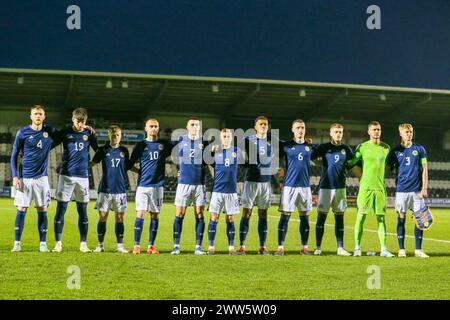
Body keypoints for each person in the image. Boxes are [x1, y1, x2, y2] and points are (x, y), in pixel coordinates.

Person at [52, 108, 98, 253]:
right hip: (66, 176)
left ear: (86, 121)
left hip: (83, 177)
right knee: (61, 209)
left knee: (82, 211)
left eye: (83, 122)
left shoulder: (89, 134)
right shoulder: (65, 132)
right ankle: (58, 243)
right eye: (78, 122)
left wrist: (92, 164)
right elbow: (50, 143)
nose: (80, 125)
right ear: (73, 119)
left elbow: (99, 151)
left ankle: (83, 244)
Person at [10, 105, 56, 252]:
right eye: (35, 114)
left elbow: (69, 131)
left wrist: (83, 125)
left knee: (42, 209)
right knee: (21, 208)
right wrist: (15, 176)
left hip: (42, 178)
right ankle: (17, 243)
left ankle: (43, 244)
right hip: (25, 178)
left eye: (40, 114)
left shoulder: (49, 132)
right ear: (30, 116)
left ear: (44, 117)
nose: (37, 116)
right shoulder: (22, 133)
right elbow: (14, 155)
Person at [347, 121, 395, 257]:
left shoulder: (386, 148)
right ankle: (357, 248)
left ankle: (384, 249)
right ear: (368, 132)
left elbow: (391, 165)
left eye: (378, 129)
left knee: (381, 219)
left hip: (380, 189)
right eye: (374, 129)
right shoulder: (362, 147)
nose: (376, 132)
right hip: (365, 188)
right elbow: (351, 163)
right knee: (361, 217)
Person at [128, 118, 175, 254]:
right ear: (146, 128)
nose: (154, 128)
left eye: (156, 126)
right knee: (141, 213)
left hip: (158, 186)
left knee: (155, 215)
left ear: (158, 128)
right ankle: (136, 245)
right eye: (151, 126)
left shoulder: (164, 144)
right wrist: (139, 171)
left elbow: (179, 151)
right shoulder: (140, 145)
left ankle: (150, 246)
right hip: (143, 185)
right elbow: (130, 164)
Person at [387, 123, 429, 258]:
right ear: (400, 133)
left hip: (417, 191)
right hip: (401, 191)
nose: (409, 134)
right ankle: (401, 249)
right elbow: (388, 168)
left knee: (420, 220)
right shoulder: (395, 151)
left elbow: (425, 169)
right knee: (401, 218)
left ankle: (418, 250)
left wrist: (424, 188)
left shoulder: (420, 149)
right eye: (406, 132)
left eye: (411, 132)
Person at [274, 119, 316, 255]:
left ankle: (304, 247)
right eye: (297, 127)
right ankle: (280, 247)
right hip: (289, 186)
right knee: (285, 216)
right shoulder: (286, 145)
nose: (300, 130)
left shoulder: (310, 147)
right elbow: (271, 141)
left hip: (305, 187)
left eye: (302, 127)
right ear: (293, 130)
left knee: (305, 217)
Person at [313, 123, 354, 256]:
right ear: (330, 133)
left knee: (339, 217)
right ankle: (318, 247)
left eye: (340, 132)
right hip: (325, 187)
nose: (338, 134)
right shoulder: (324, 147)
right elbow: (312, 156)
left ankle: (340, 248)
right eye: (336, 132)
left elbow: (353, 163)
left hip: (340, 187)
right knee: (321, 217)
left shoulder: (346, 149)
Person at [171, 117, 209, 255]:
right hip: (183, 184)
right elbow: (174, 155)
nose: (194, 127)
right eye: (192, 124)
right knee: (180, 214)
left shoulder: (205, 142)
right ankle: (176, 246)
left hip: (199, 184)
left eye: (197, 125)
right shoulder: (180, 140)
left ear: (200, 127)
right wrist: (177, 168)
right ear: (187, 127)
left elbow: (208, 161)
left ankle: (198, 247)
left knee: (199, 214)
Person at [90, 125, 129, 253]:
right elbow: (92, 163)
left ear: (120, 135)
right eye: (113, 135)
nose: (115, 137)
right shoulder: (103, 150)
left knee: (120, 218)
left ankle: (120, 246)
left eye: (118, 134)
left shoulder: (124, 150)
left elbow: (128, 166)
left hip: (120, 190)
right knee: (103, 217)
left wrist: (140, 171)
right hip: (105, 190)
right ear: (109, 135)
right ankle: (100, 245)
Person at [239, 116, 273, 255]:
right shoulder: (247, 141)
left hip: (265, 181)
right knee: (247, 212)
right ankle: (242, 246)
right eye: (261, 124)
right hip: (251, 180)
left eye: (265, 124)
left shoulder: (273, 142)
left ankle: (263, 247)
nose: (263, 126)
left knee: (263, 213)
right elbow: (241, 159)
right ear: (255, 127)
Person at [206, 129, 243, 255]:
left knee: (230, 218)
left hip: (231, 191)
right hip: (217, 190)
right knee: (214, 217)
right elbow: (206, 162)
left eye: (228, 136)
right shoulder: (215, 151)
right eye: (224, 136)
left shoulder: (237, 151)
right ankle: (211, 247)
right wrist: (211, 151)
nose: (226, 138)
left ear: (231, 138)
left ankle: (231, 248)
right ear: (220, 138)